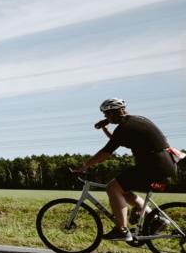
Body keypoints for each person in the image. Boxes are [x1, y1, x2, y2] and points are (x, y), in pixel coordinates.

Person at [75, 99, 177, 241]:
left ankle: (121, 230)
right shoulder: (137, 120)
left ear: (113, 113)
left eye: (106, 115)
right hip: (165, 162)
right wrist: (106, 129)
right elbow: (119, 141)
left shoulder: (125, 128)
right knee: (123, 190)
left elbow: (106, 151)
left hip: (153, 165)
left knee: (112, 188)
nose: (106, 118)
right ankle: (155, 219)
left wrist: (85, 166)